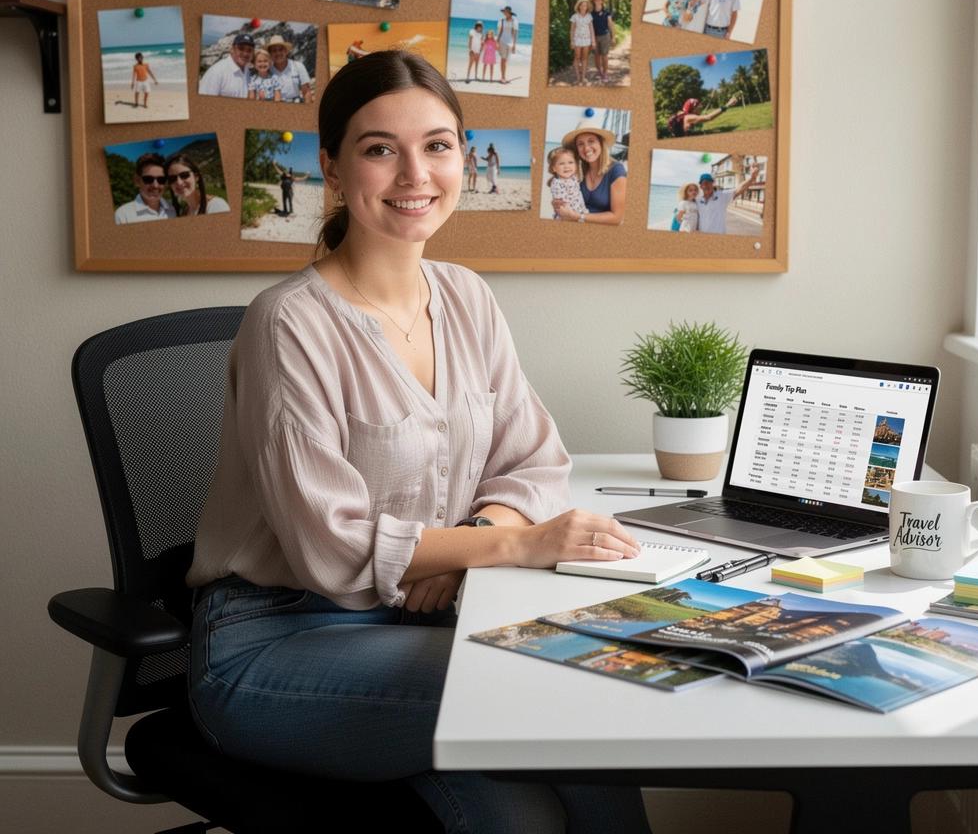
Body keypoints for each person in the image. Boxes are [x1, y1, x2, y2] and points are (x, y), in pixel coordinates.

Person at [184, 50, 650, 833]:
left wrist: (472, 536)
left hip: (421, 622)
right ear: (332, 169)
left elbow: (532, 460)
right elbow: (331, 550)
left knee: (528, 810)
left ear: (464, 157)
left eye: (437, 145)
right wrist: (502, 548)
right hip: (275, 642)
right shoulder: (288, 323)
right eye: (379, 149)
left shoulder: (467, 297)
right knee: (569, 689)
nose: (414, 174)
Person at [551, 124, 626, 225]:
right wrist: (556, 203)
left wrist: (578, 217)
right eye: (580, 144)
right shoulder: (578, 169)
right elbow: (565, 191)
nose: (586, 148)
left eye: (591, 141)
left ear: (601, 143)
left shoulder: (616, 170)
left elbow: (617, 218)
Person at [694, 162, 761, 234]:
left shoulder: (722, 196)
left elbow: (738, 189)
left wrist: (751, 178)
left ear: (713, 184)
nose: (706, 186)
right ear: (700, 186)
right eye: (704, 183)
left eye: (709, 183)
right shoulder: (697, 200)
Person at [113, 152, 176, 224]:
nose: (155, 185)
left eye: (161, 180)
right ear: (137, 181)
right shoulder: (122, 215)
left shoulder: (172, 210)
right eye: (148, 179)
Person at [166, 151, 231, 217]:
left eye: (184, 175)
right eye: (172, 178)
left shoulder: (216, 206)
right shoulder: (185, 212)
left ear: (196, 177)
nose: (179, 182)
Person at [199, 33, 254, 98]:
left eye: (249, 50)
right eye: (241, 48)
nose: (245, 54)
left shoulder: (247, 70)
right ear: (232, 49)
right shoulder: (217, 72)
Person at [267, 35, 313, 103]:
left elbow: (306, 92)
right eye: (274, 50)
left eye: (280, 49)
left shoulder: (298, 66)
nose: (278, 53)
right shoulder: (267, 70)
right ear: (270, 53)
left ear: (286, 51)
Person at [546, 147, 587, 222]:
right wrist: (571, 215)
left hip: (580, 212)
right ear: (554, 168)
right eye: (561, 163)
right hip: (566, 216)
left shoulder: (574, 177)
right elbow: (562, 203)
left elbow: (580, 163)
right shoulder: (557, 183)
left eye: (570, 162)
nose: (567, 166)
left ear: (576, 165)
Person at [667, 95, 739, 136]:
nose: (701, 108)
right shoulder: (688, 117)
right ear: (693, 108)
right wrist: (728, 105)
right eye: (699, 107)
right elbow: (709, 117)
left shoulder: (681, 114)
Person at [568, 0, 595, 86]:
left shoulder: (589, 16)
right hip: (577, 40)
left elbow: (591, 29)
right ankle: (578, 78)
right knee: (577, 57)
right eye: (582, 5)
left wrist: (593, 41)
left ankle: (583, 78)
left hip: (587, 40)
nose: (584, 7)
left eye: (585, 5)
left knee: (584, 58)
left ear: (587, 7)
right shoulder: (574, 16)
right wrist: (572, 41)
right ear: (579, 6)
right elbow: (572, 30)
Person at [589, 0, 614, 83]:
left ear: (602, 1)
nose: (598, 0)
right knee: (596, 56)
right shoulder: (591, 14)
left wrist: (613, 37)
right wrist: (591, 40)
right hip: (595, 37)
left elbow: (610, 24)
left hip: (605, 36)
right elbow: (590, 27)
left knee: (604, 55)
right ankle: (599, 72)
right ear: (594, 1)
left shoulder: (606, 12)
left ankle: (605, 73)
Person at [497, 6, 518, 84]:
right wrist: (497, 42)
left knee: (506, 60)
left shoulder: (514, 21)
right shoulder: (502, 21)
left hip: (510, 43)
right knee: (503, 60)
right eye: (504, 12)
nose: (504, 13)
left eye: (506, 12)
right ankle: (503, 77)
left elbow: (515, 34)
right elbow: (500, 32)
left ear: (509, 13)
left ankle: (503, 76)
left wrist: (514, 45)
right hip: (502, 41)